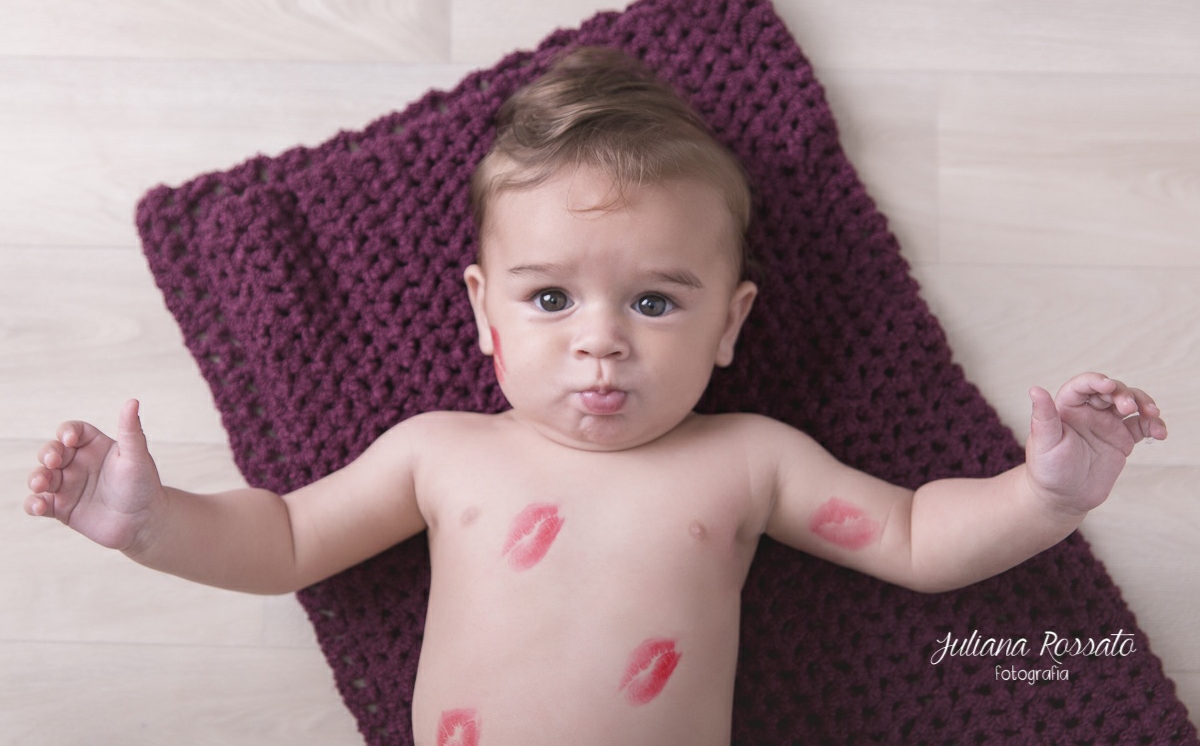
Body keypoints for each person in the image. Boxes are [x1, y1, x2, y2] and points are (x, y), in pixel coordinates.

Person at [24, 47, 1167, 746]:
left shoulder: (748, 457)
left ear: (731, 324)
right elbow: (282, 539)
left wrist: (1045, 492)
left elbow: (916, 536)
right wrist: (153, 522)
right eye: (551, 297)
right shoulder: (441, 451)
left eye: (656, 302)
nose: (602, 341)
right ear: (484, 312)